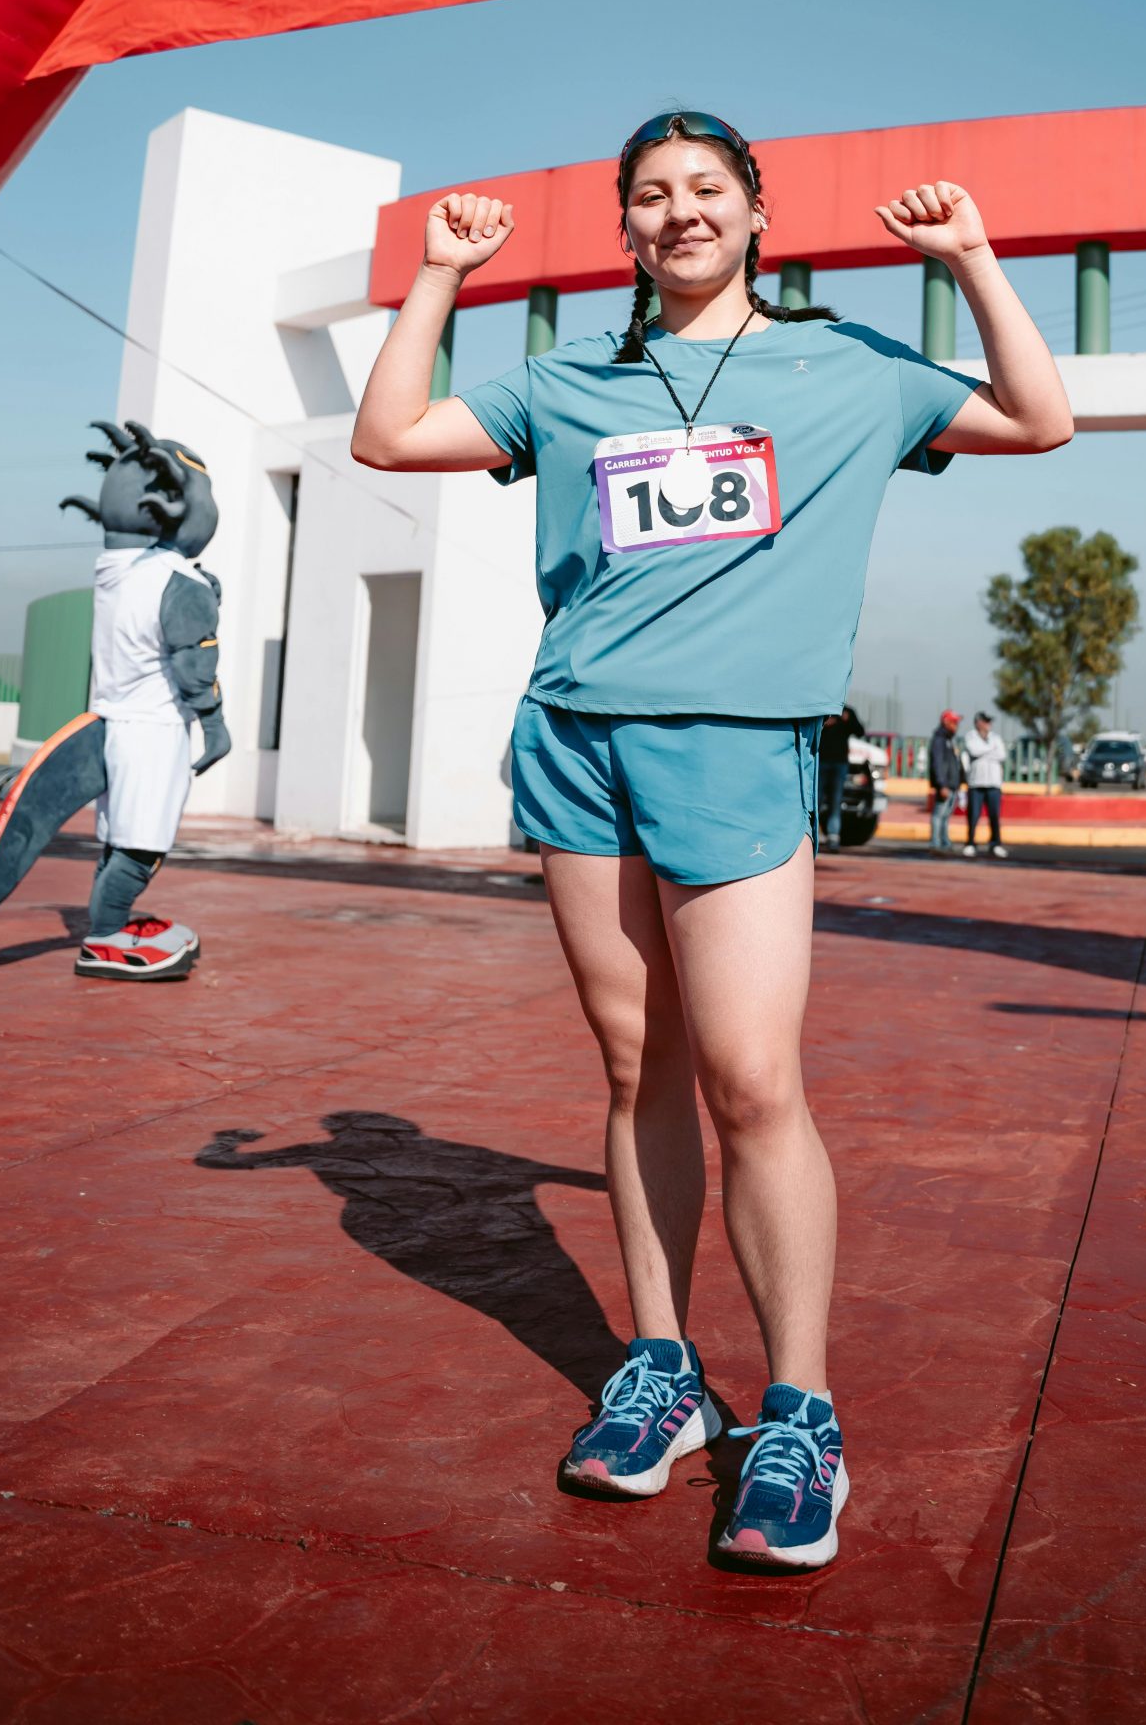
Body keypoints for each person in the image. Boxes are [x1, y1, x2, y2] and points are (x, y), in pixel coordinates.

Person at [351, 110, 1072, 1571]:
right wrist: (436, 275)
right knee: (637, 1069)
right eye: (649, 198)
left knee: (750, 1081)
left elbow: (1036, 417)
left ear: (754, 213)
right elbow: (388, 435)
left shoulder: (851, 369)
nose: (677, 213)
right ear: (622, 232)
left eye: (704, 191)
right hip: (575, 743)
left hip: (738, 754)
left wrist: (970, 258)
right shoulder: (571, 381)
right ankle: (662, 1370)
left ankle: (797, 1412)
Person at [960, 709, 1009, 859]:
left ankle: (996, 844)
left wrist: (984, 752)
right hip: (976, 783)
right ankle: (970, 843)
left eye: (989, 721)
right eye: (986, 721)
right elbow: (974, 751)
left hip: (994, 783)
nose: (989, 724)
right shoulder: (970, 736)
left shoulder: (996, 737)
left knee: (994, 815)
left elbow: (1002, 754)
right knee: (973, 815)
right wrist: (990, 750)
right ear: (978, 722)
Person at [817, 704, 863, 852]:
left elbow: (860, 731)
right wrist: (823, 724)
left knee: (835, 801)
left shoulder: (847, 711)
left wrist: (848, 720)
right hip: (821, 761)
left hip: (839, 763)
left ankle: (833, 837)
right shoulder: (822, 708)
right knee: (815, 801)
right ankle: (811, 835)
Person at [928, 708, 963, 853]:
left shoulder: (949, 740)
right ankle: (935, 843)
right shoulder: (939, 740)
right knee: (939, 815)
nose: (956, 725)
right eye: (954, 722)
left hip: (952, 784)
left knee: (946, 816)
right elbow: (937, 763)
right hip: (945, 785)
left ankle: (944, 841)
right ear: (946, 722)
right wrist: (942, 784)